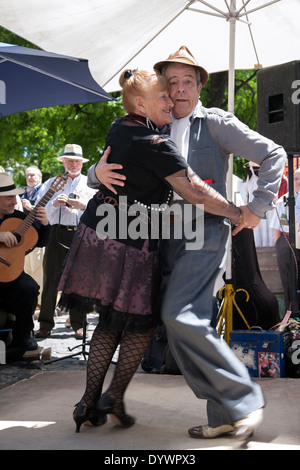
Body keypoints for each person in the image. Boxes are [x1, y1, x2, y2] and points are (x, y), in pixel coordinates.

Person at [95, 46, 287, 440]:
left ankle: (242, 395)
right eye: (172, 83)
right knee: (180, 322)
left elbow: (274, 154)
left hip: (205, 232)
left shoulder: (216, 122)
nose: (179, 91)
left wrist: (256, 207)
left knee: (179, 315)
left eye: (188, 82)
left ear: (200, 86)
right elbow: (111, 168)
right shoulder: (153, 125)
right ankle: (222, 414)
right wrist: (97, 172)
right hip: (161, 237)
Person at [57, 69, 248, 435]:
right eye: (162, 95)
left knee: (113, 320)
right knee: (141, 321)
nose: (170, 100)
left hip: (100, 230)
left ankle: (89, 402)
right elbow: (196, 192)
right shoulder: (156, 143)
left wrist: (96, 171)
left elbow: (111, 167)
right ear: (141, 103)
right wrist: (237, 212)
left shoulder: (120, 126)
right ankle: (110, 398)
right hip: (129, 239)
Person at [34, 144, 96, 339]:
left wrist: (81, 205)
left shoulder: (90, 184)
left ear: (81, 163)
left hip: (81, 234)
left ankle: (79, 324)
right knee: (50, 279)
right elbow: (38, 209)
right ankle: (45, 324)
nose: (74, 164)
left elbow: (99, 211)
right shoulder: (51, 183)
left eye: (77, 161)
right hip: (56, 233)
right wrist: (54, 203)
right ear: (63, 162)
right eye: (70, 160)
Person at [0, 172, 50, 355]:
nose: (15, 201)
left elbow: (40, 241)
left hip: (10, 275)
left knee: (29, 287)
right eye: (9, 197)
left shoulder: (19, 217)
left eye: (15, 196)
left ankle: (22, 339)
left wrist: (45, 224)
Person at [272, 168, 300, 311]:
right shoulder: (283, 200)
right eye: (296, 178)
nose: (298, 182)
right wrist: (280, 245)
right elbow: (276, 228)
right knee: (288, 281)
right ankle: (290, 315)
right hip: (287, 242)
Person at [21, 166, 44, 306]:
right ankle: (30, 301)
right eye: (28, 175)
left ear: (40, 177)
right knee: (27, 269)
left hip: (38, 235)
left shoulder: (43, 190)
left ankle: (39, 302)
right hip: (25, 237)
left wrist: (30, 207)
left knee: (37, 269)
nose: (30, 177)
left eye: (33, 175)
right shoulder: (24, 193)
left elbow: (46, 209)